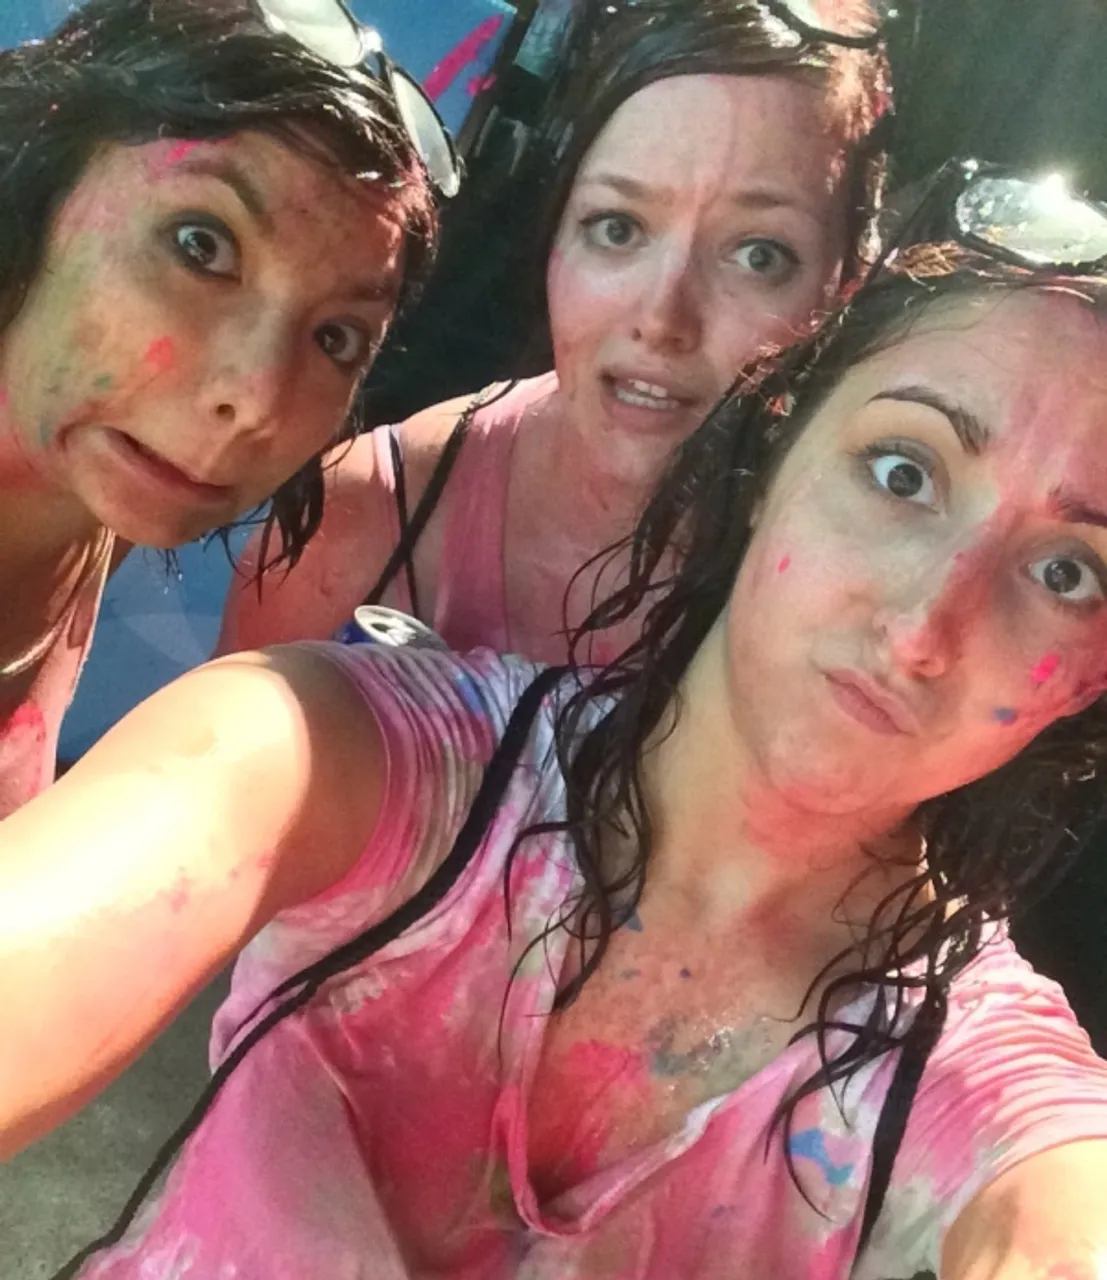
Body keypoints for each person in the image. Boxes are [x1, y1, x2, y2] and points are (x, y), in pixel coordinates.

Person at [6, 243, 1107, 1277]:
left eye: (1067, 572)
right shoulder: (361, 755)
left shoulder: (978, 1074)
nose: (923, 628)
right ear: (772, 456)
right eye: (903, 472)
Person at [220, 0, 890, 664]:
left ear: (848, 287)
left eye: (759, 255)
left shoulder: (880, 599)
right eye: (617, 227)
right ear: (555, 230)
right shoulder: (362, 521)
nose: (662, 320)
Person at [0, 0, 438, 816]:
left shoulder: (101, 495)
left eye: (336, 337)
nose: (257, 399)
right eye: (200, 245)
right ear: (34, 182)